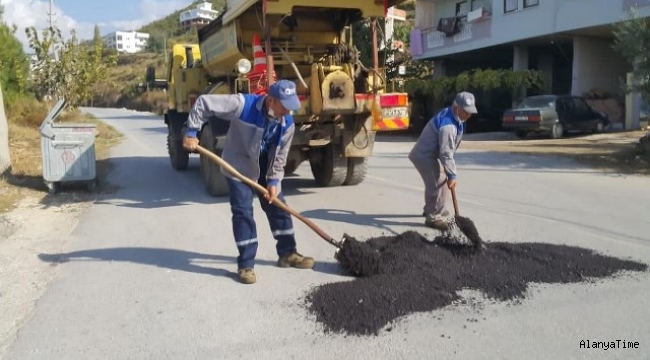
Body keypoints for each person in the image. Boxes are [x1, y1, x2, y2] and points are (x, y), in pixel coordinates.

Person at [182, 80, 314, 285]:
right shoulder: (243, 105)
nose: (288, 111)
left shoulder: (287, 123)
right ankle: (246, 264)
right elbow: (203, 103)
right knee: (243, 211)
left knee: (279, 207)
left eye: (291, 106)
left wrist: (274, 180)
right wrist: (192, 132)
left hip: (265, 167)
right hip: (238, 166)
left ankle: (288, 253)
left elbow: (280, 157)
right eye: (284, 105)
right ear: (271, 100)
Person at [408, 91, 477, 231]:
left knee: (440, 179)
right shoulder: (449, 126)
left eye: (470, 112)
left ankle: (433, 208)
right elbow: (446, 153)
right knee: (438, 182)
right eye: (465, 111)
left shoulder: (455, 116)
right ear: (457, 107)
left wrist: (448, 169)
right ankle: (433, 216)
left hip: (431, 154)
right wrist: (452, 174)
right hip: (424, 155)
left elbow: (446, 149)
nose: (468, 115)